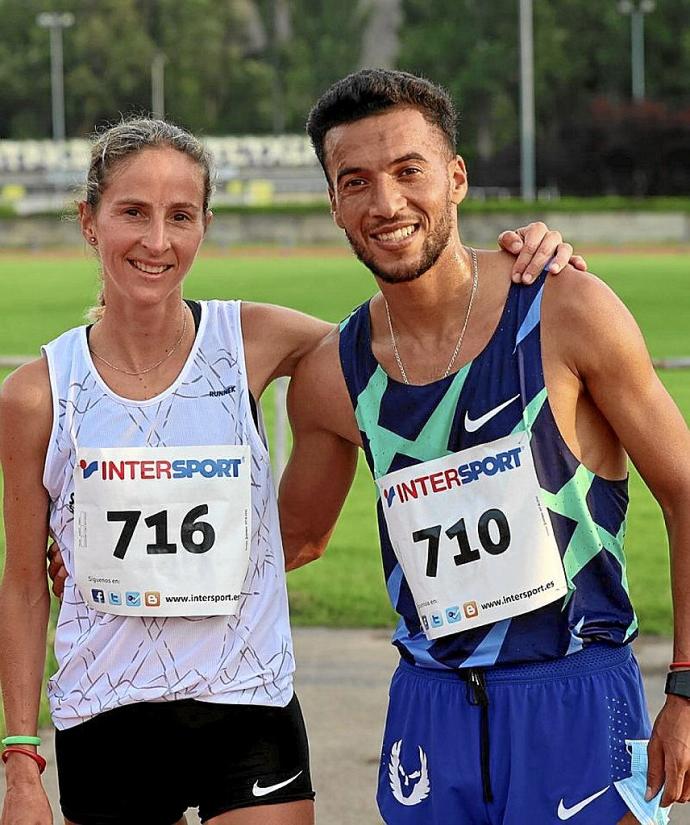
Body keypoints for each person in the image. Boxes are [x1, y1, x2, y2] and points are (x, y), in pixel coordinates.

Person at [0, 116, 579, 825]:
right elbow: (25, 582)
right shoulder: (36, 394)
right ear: (90, 221)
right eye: (132, 213)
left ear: (205, 224)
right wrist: (22, 761)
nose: (157, 241)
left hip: (248, 702)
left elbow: (394, 344)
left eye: (180, 216)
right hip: (107, 711)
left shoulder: (254, 339)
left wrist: (515, 263)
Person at [278, 69, 690, 825]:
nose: (386, 202)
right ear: (334, 202)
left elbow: (686, 492)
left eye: (409, 171)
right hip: (430, 708)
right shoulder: (334, 374)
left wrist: (688, 691)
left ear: (456, 178)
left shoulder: (566, 307)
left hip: (575, 693)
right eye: (356, 181)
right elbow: (295, 538)